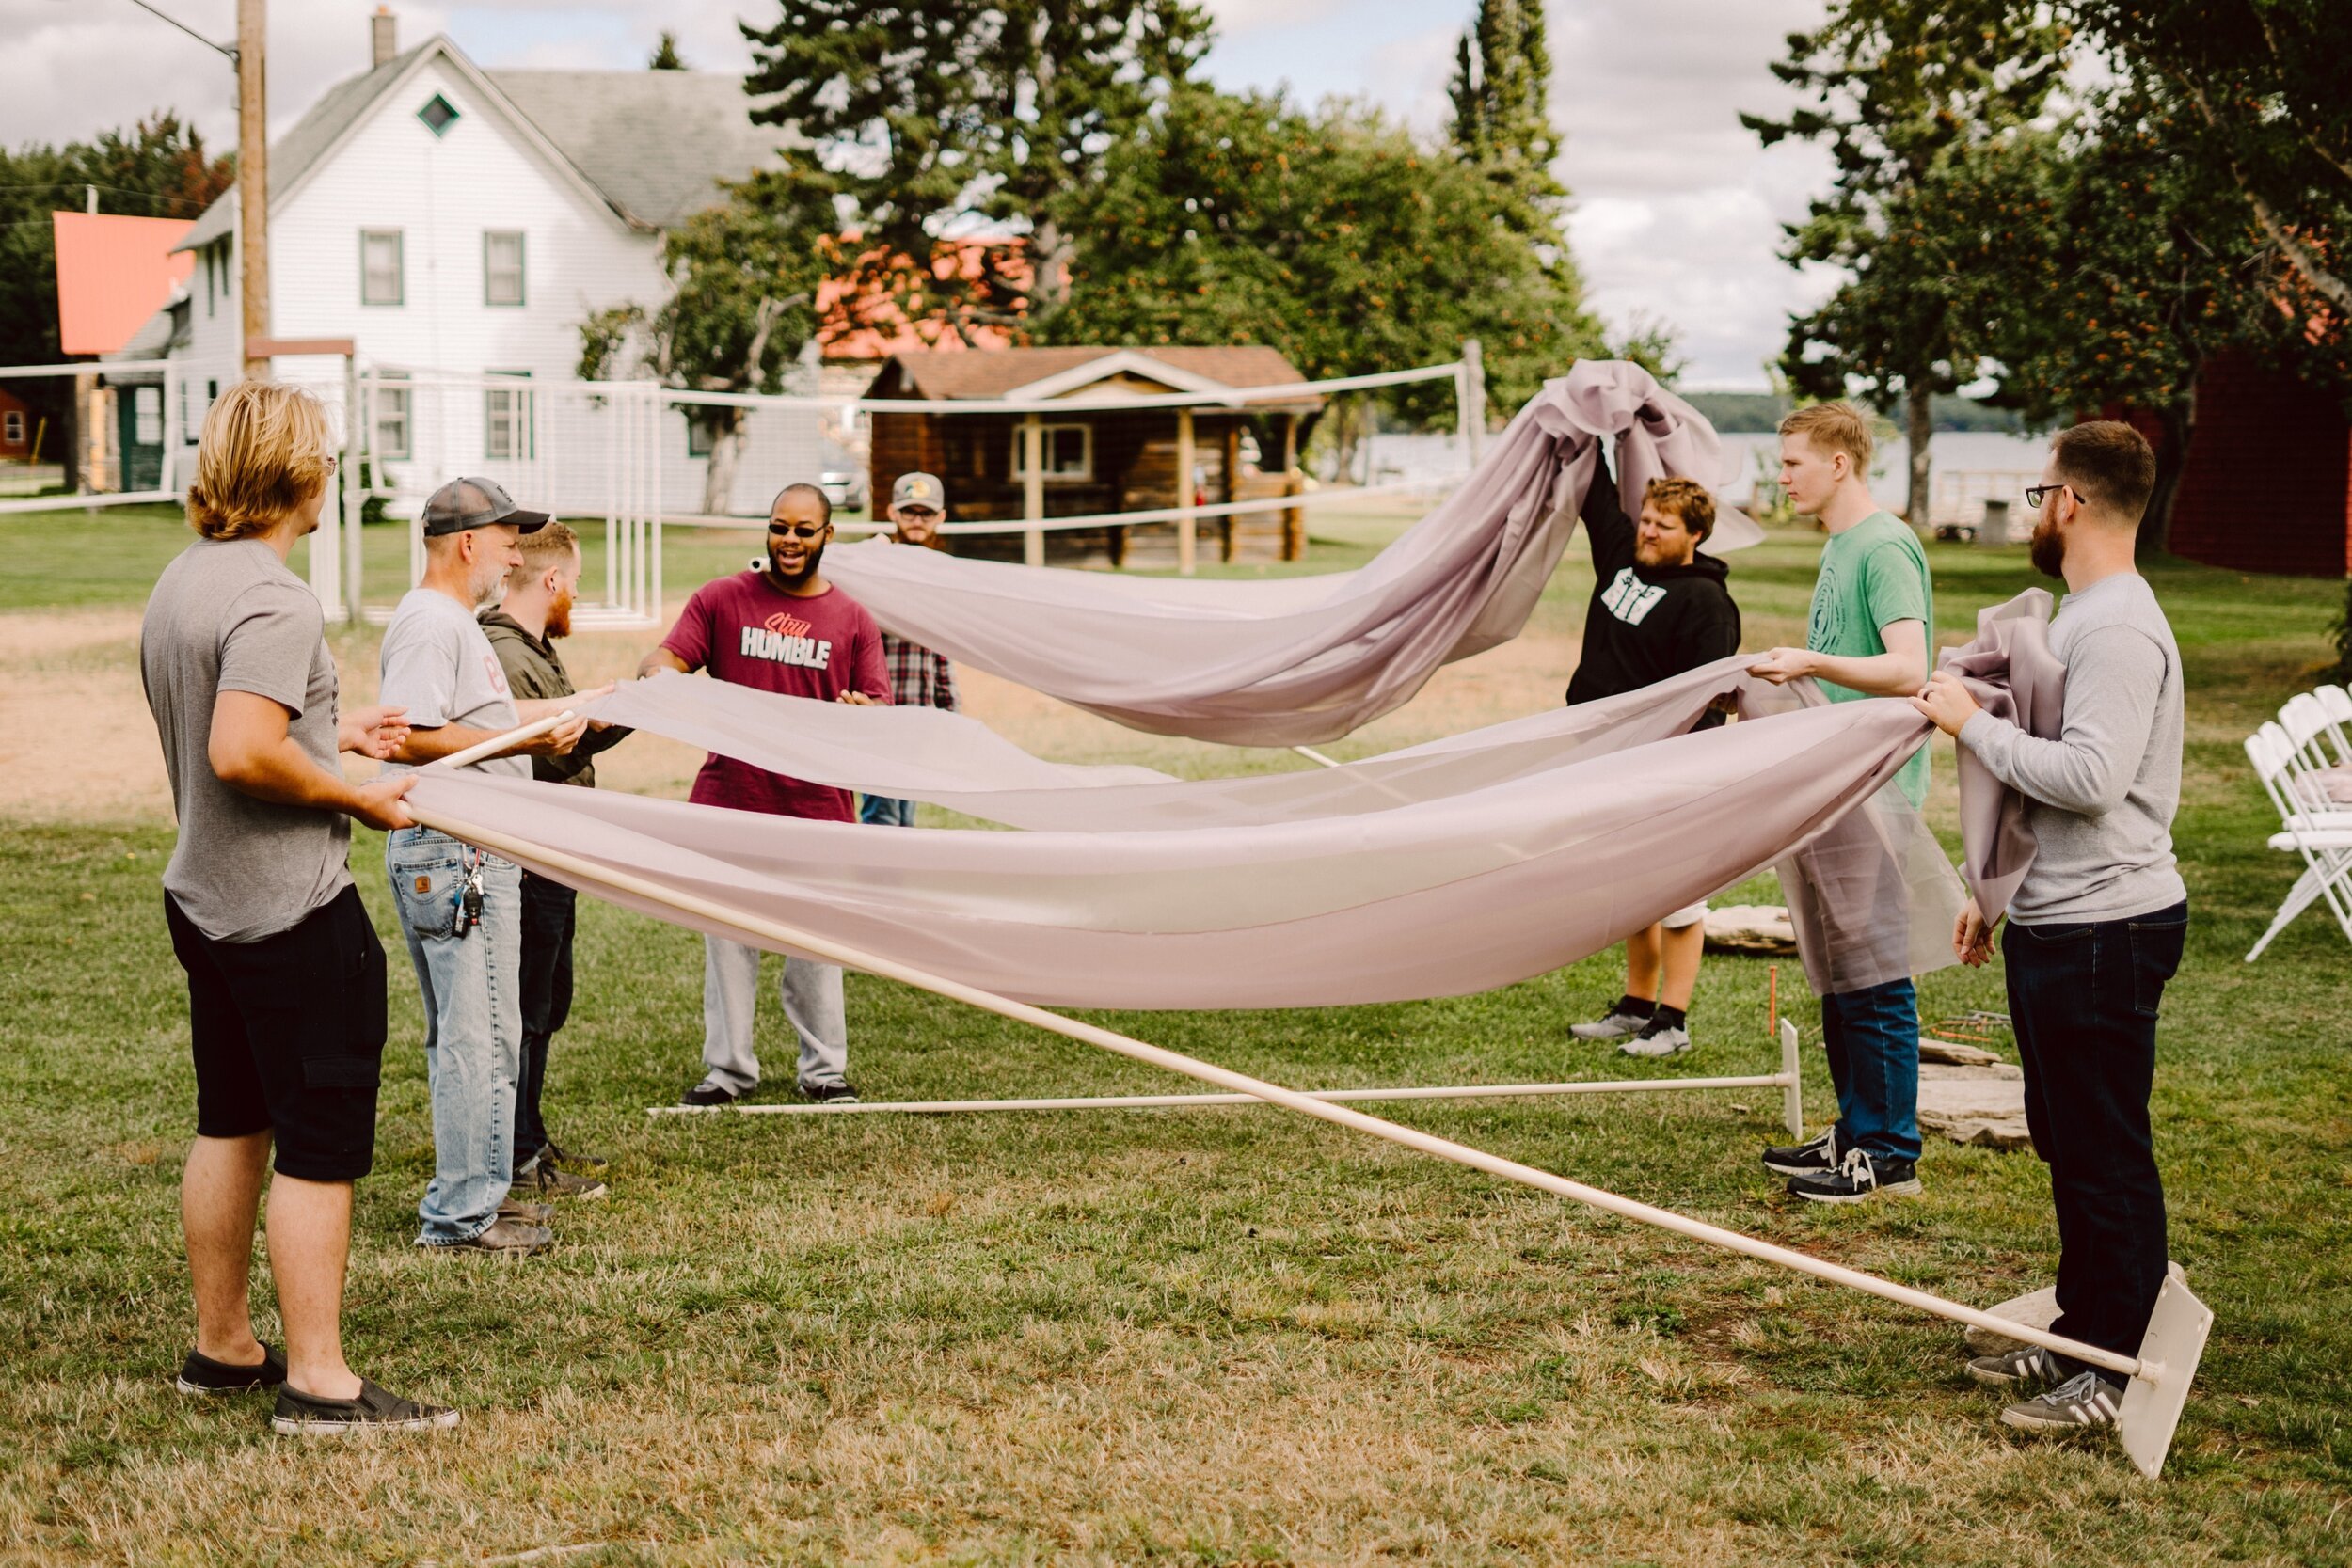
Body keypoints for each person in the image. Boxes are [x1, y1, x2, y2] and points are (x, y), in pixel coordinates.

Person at [141, 379, 457, 1433]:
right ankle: (319, 1380)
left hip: (207, 899)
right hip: (288, 912)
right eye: (326, 454)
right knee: (319, 1140)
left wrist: (335, 732)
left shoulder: (187, 578)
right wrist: (353, 793)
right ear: (300, 471)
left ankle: (224, 1346)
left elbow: (240, 720)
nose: (333, 471)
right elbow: (239, 750)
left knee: (231, 1118)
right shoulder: (277, 596)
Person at [1912, 421, 2187, 1436]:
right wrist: (1999, 895)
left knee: (2105, 1143)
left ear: (2067, 500)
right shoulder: (2083, 613)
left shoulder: (2114, 627)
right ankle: (2083, 1327)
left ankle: (2115, 1366)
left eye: (2037, 494)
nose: (2034, 511)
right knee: (2067, 1137)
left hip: (2108, 927)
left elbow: (2091, 776)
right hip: (2059, 918)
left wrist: (1967, 724)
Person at [376, 478, 596, 1255]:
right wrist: (521, 743)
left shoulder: (453, 622)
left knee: (487, 1035)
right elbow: (407, 735)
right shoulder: (432, 623)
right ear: (467, 542)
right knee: (480, 1037)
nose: (513, 556)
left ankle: (481, 1197)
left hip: (471, 848)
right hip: (457, 851)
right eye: (506, 540)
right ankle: (464, 1216)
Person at [640, 482, 890, 1108]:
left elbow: (880, 706)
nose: (790, 541)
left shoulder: (853, 618)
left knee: (815, 946)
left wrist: (864, 710)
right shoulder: (723, 598)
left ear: (827, 536)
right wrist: (659, 675)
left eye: (805, 531)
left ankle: (824, 1070)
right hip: (733, 800)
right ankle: (728, 1071)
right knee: (728, 942)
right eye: (780, 527)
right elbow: (666, 658)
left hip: (817, 808)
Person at [1747, 401, 1934, 1204]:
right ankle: (1855, 1131)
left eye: (1792, 462)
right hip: (1833, 786)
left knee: (1876, 972)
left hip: (1876, 792)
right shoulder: (1839, 545)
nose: (1781, 476)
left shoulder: (1885, 544)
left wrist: (1808, 660)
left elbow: (1909, 667)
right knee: (1838, 968)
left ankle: (1890, 1154)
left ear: (1840, 464)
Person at [1562, 467, 1742, 1058]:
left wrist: (1688, 777)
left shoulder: (1707, 603)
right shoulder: (1622, 559)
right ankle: (1636, 1006)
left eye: (1663, 525)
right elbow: (1595, 497)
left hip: (1666, 765)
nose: (1648, 532)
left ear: (1695, 536)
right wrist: (1587, 415)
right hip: (1600, 758)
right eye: (1646, 520)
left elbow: (1707, 700)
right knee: (1632, 883)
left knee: (1678, 894)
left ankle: (1673, 1021)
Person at [479, 521, 630, 1200]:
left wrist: (616, 714)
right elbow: (538, 755)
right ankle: (515, 1151)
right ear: (550, 581)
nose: (575, 593)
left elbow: (564, 742)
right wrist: (601, 717)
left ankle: (528, 1134)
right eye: (573, 582)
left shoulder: (533, 648)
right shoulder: (506, 654)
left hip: (552, 849)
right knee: (526, 1005)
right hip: (527, 852)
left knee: (546, 1000)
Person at [858, 470, 960, 828]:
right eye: (909, 512)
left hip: (920, 711)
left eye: (926, 514)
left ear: (941, 518)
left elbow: (941, 649)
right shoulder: (873, 563)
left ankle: (896, 879)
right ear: (892, 513)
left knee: (906, 813)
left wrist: (949, 708)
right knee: (882, 812)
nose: (917, 521)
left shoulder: (938, 577)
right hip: (880, 710)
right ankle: (879, 881)